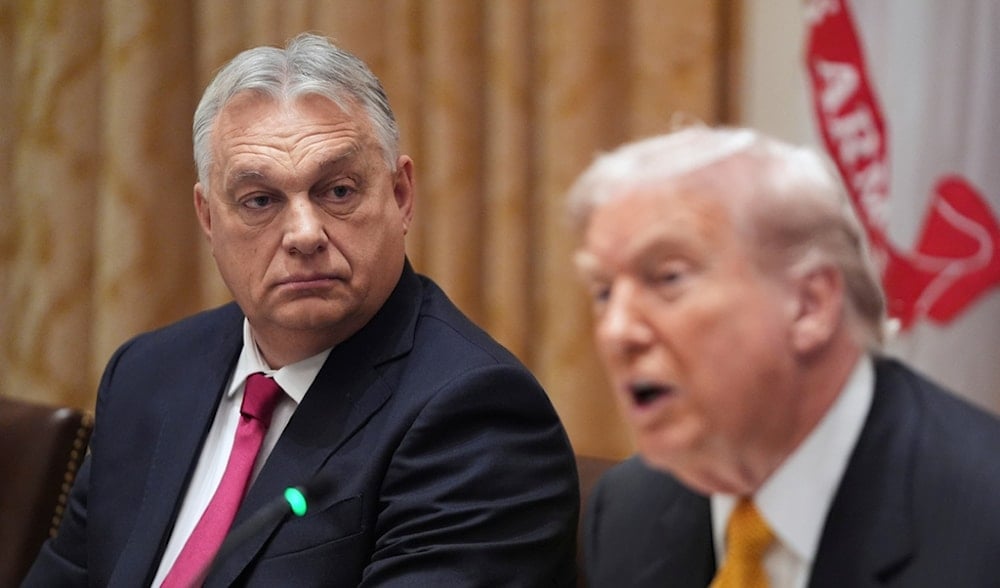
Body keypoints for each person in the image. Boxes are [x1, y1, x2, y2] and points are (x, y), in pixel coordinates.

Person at [24, 33, 579, 587]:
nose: (304, 234)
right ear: (209, 219)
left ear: (401, 195)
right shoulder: (147, 375)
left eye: (337, 191)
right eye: (260, 201)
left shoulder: (476, 417)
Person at [567, 125, 1000, 587]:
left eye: (668, 278)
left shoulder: (983, 522)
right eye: (604, 291)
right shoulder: (627, 512)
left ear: (810, 305)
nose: (616, 331)